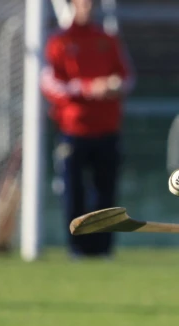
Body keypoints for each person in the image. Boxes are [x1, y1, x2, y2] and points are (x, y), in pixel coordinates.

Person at [41, 0, 134, 258]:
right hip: (74, 130)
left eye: (91, 3)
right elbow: (50, 84)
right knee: (73, 193)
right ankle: (77, 248)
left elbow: (127, 78)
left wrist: (114, 86)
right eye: (82, 3)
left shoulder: (106, 39)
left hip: (107, 129)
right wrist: (89, 88)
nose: (87, 7)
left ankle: (103, 249)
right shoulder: (59, 41)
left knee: (106, 193)